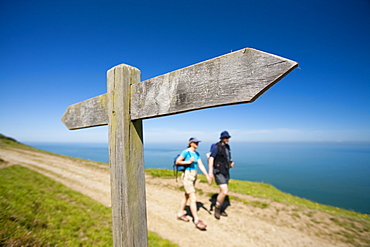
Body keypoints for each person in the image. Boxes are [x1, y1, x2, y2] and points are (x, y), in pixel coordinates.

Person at [176, 137, 211, 230]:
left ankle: (180, 213)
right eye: (195, 142)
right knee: (193, 198)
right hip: (187, 175)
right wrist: (188, 162)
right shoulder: (186, 152)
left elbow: (200, 165)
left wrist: (207, 175)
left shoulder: (196, 154)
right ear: (190, 143)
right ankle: (196, 219)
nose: (197, 144)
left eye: (197, 142)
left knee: (187, 195)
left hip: (194, 176)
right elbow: (178, 161)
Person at [208, 130, 234, 219]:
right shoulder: (216, 147)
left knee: (222, 192)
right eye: (226, 138)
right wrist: (210, 172)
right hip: (218, 172)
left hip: (225, 171)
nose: (227, 139)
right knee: (225, 192)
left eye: (228, 138)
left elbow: (227, 157)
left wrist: (230, 163)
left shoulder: (227, 147)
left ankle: (220, 206)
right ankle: (217, 209)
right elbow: (211, 159)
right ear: (222, 138)